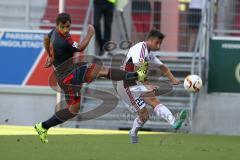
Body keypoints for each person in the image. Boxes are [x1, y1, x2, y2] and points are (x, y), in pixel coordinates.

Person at [34, 12, 147, 143]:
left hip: (73, 71)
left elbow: (46, 39)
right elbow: (81, 47)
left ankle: (136, 75)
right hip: (68, 79)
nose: (66, 30)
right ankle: (43, 126)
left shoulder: (54, 32)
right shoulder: (63, 42)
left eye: (68, 27)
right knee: (73, 110)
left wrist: (49, 55)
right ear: (57, 25)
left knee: (102, 71)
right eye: (63, 27)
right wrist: (90, 34)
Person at [116, 29, 187, 144]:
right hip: (126, 85)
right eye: (157, 43)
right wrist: (146, 84)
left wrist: (172, 79)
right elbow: (137, 70)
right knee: (144, 114)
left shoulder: (148, 53)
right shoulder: (140, 49)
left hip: (135, 83)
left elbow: (162, 67)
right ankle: (133, 132)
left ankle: (174, 122)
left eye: (160, 43)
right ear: (150, 40)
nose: (159, 46)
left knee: (150, 105)